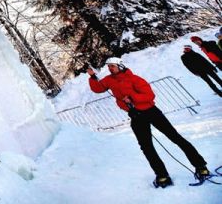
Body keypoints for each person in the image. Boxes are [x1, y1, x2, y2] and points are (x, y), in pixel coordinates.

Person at [88, 56, 211, 188]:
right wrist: (93, 77)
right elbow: (98, 88)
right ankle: (162, 175)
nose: (110, 68)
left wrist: (132, 98)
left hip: (151, 112)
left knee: (175, 137)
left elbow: (149, 96)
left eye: (112, 66)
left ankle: (200, 166)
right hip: (136, 116)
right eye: (108, 66)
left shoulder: (134, 79)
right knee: (147, 147)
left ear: (120, 66)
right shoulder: (109, 80)